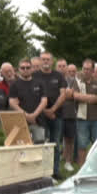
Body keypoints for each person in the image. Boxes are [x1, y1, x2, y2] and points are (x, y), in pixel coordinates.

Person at [33, 51, 68, 179]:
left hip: (56, 115)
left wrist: (52, 110)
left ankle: (55, 171)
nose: (45, 61)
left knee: (55, 144)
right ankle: (41, 173)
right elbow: (33, 96)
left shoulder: (58, 76)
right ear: (40, 61)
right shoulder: (34, 76)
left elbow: (63, 94)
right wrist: (45, 111)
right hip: (40, 116)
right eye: (43, 59)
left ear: (52, 61)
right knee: (41, 144)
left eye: (48, 59)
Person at [74, 59, 97, 167]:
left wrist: (83, 97)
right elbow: (75, 96)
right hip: (82, 119)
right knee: (82, 145)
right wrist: (92, 97)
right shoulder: (78, 81)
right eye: (84, 69)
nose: (86, 71)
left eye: (88, 69)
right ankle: (81, 170)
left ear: (93, 70)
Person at [9, 58, 48, 141]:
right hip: (21, 123)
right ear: (19, 69)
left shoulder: (40, 83)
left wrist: (34, 115)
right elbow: (12, 103)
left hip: (38, 122)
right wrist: (26, 116)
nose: (25, 70)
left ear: (32, 68)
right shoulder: (14, 85)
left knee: (39, 147)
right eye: (22, 68)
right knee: (22, 148)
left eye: (28, 67)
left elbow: (44, 101)